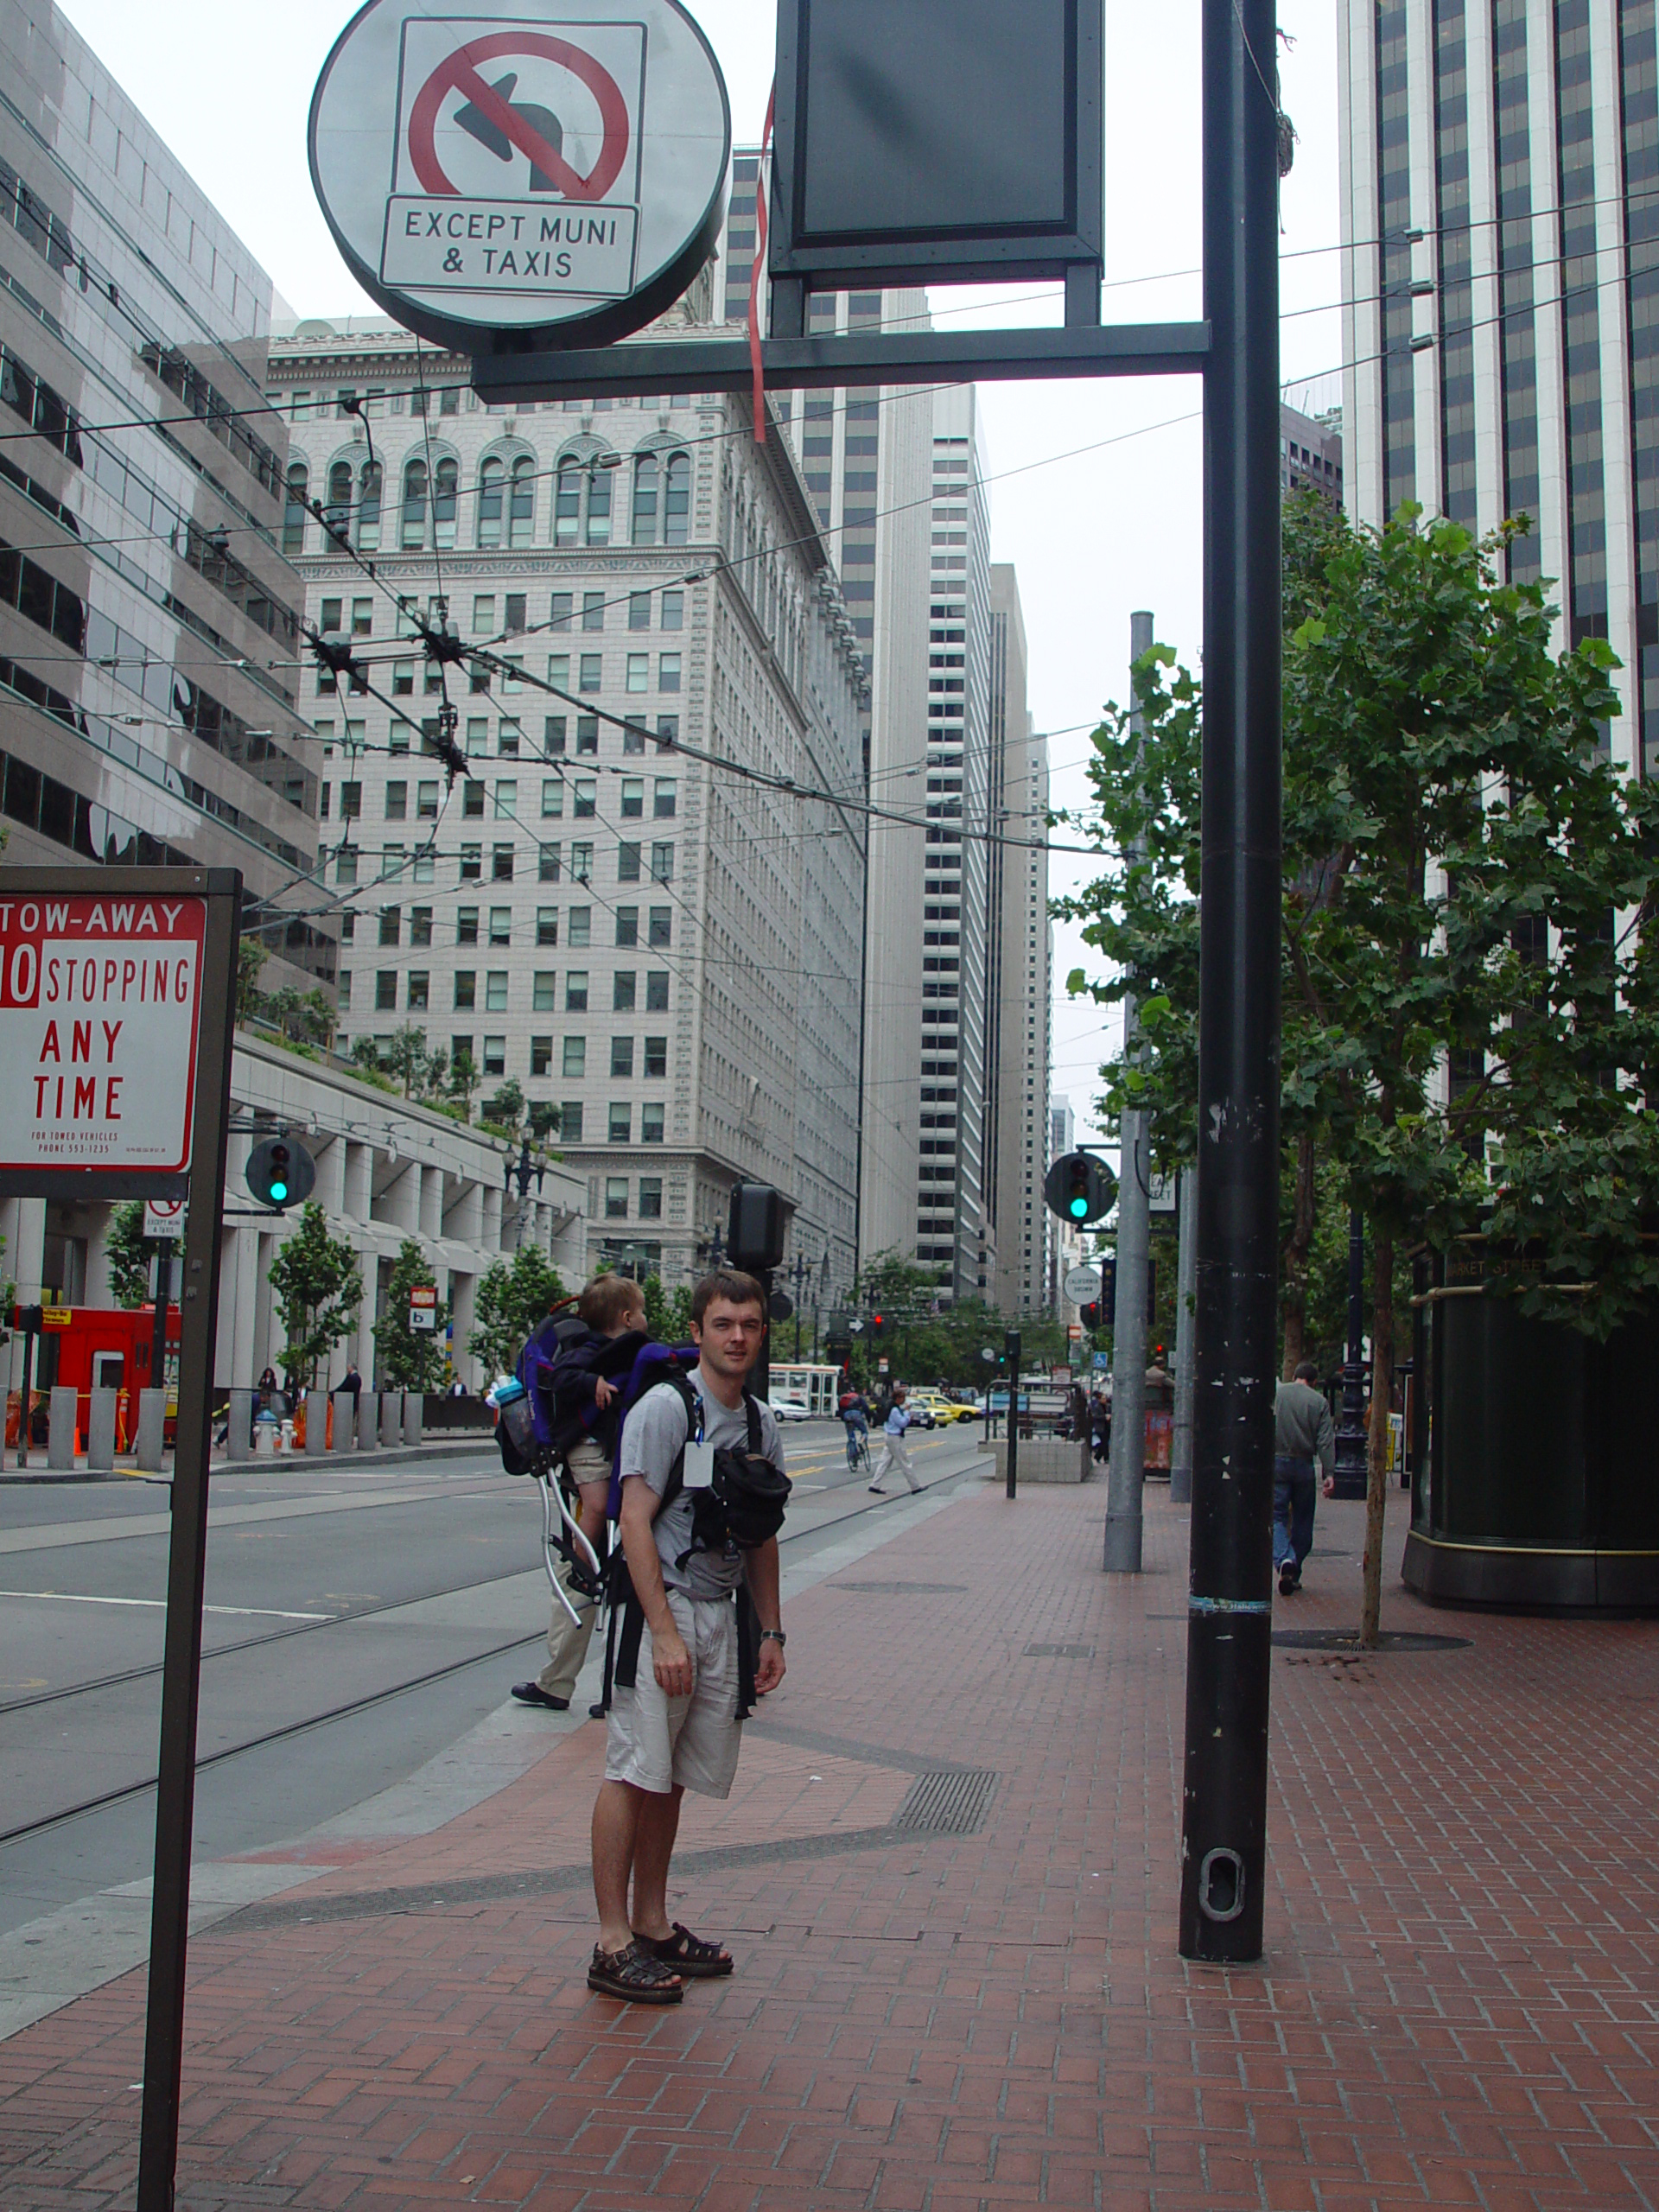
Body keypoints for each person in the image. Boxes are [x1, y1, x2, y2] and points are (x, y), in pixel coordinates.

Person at [588, 1268, 787, 2004]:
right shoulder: (667, 1409)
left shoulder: (763, 1424)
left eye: (750, 1325)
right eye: (724, 1324)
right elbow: (631, 1519)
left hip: (720, 1615)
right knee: (633, 1768)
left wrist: (771, 1630)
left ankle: (652, 1922)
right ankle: (611, 1942)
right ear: (698, 1331)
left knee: (670, 1775)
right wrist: (664, 1635)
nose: (738, 1337)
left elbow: (763, 1537)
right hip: (660, 1610)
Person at [512, 1274, 649, 1714]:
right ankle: (583, 1565)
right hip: (592, 1455)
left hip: (604, 1458)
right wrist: (594, 1385)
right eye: (641, 1311)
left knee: (589, 1571)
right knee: (588, 1554)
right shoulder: (591, 1351)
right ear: (627, 1317)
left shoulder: (608, 1349)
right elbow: (572, 1377)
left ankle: (560, 1681)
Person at [1274, 1359, 1337, 1594]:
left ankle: (1283, 1559)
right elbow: (1325, 1440)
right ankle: (1294, 1566)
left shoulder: (1279, 1395)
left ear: (1295, 1376)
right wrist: (1329, 1472)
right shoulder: (1319, 1402)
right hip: (1303, 1465)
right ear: (1314, 1382)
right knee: (1303, 1520)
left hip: (1277, 1461)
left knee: (1276, 1517)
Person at [868, 1382, 918, 1495]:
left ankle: (875, 1485)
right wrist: (907, 1414)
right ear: (898, 1398)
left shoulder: (890, 1406)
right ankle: (915, 1486)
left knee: (885, 1462)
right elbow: (902, 1423)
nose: (904, 1400)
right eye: (903, 1398)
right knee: (904, 1461)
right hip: (894, 1438)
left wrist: (903, 1410)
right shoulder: (895, 1410)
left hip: (889, 1435)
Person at [838, 1382, 870, 1471]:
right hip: (857, 1415)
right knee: (864, 1432)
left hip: (847, 1416)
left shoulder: (843, 1398)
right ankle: (862, 1441)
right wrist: (869, 1419)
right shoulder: (858, 1397)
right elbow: (866, 1408)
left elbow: (839, 1410)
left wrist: (843, 1418)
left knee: (851, 1437)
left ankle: (853, 1459)